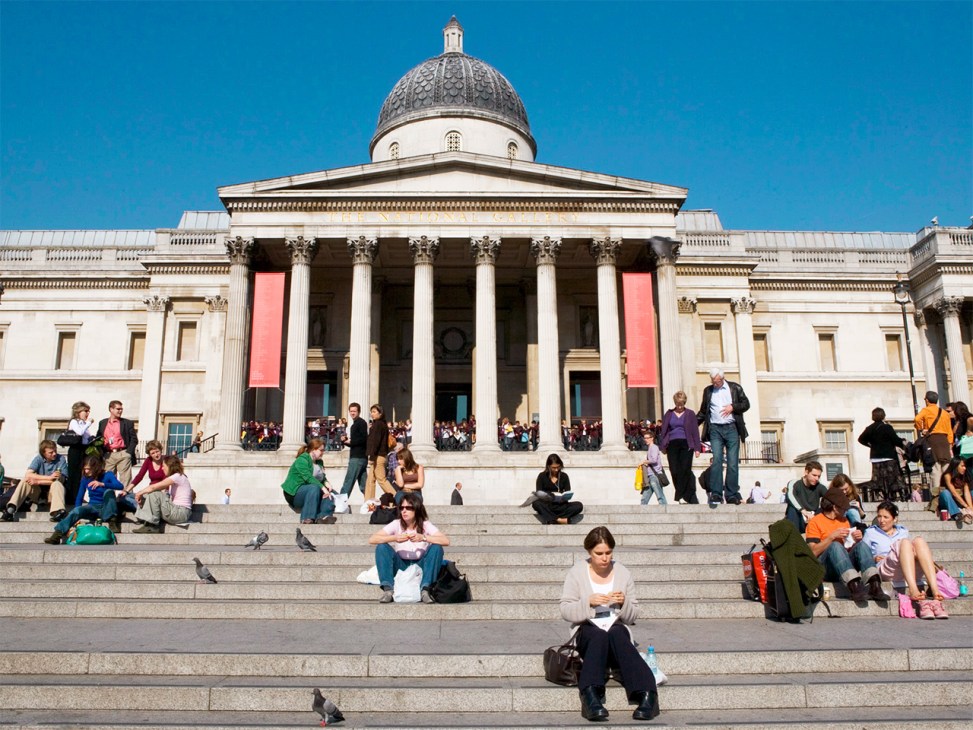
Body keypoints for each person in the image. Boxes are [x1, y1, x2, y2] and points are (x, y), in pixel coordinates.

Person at [559, 526, 659, 722]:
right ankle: (591, 695)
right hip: (587, 628)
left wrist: (623, 603)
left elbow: (633, 616)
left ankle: (647, 693)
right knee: (598, 634)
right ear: (589, 552)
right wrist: (588, 602)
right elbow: (565, 610)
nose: (604, 558)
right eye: (599, 554)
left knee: (616, 633)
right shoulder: (577, 572)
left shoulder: (622, 572)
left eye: (608, 553)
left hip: (615, 627)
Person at [804, 483, 891, 602]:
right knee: (835, 545)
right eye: (843, 507)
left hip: (843, 564)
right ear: (835, 507)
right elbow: (813, 552)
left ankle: (874, 585)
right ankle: (854, 588)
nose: (845, 510)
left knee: (862, 545)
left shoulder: (844, 520)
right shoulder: (815, 522)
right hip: (825, 568)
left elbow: (848, 548)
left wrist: (855, 539)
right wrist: (831, 537)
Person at [863, 501, 948, 618]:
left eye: (885, 517)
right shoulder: (870, 532)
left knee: (919, 541)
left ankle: (934, 589)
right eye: (879, 516)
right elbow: (863, 555)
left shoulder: (903, 531)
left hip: (906, 568)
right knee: (904, 543)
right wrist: (873, 557)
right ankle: (913, 589)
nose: (881, 520)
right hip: (886, 568)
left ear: (894, 519)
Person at [368, 494, 449, 604]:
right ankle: (388, 590)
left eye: (408, 508)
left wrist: (424, 538)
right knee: (381, 547)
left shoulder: (425, 525)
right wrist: (395, 538)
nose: (404, 511)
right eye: (401, 508)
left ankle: (425, 589)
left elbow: (445, 541)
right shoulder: (396, 524)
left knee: (436, 547)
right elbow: (372, 539)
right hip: (401, 565)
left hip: (420, 565)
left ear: (416, 509)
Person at [697, 368, 750, 505]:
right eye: (713, 382)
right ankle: (716, 493)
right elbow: (703, 411)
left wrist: (733, 407)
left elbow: (746, 404)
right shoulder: (708, 391)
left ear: (722, 378)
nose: (715, 384)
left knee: (732, 463)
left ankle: (731, 494)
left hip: (732, 428)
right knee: (717, 461)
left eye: (717, 382)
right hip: (715, 429)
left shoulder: (735, 388)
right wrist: (691, 424)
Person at [44, 455, 125, 543]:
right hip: (93, 507)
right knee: (76, 511)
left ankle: (112, 521)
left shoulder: (108, 475)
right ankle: (57, 534)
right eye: (85, 469)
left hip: (106, 507)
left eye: (89, 469)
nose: (86, 471)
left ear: (96, 468)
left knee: (109, 492)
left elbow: (120, 486)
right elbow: (79, 497)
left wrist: (102, 484)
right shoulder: (85, 479)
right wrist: (77, 512)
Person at [2, 440, 68, 522]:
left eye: (55, 451)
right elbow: (28, 474)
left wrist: (38, 481)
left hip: (53, 493)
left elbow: (60, 480)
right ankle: (11, 509)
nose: (54, 454)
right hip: (38, 493)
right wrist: (49, 477)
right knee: (25, 481)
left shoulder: (61, 459)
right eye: (51, 452)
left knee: (57, 484)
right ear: (43, 453)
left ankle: (59, 512)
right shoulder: (38, 458)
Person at [659, 391, 702, 504]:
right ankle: (683, 494)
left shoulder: (690, 414)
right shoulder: (669, 414)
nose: (679, 406)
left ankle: (680, 496)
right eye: (678, 404)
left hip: (686, 443)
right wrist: (662, 445)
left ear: (684, 403)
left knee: (685, 469)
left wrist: (697, 448)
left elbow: (695, 431)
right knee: (674, 470)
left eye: (682, 404)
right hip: (672, 444)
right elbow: (664, 430)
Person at [280, 438, 336, 524]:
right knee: (314, 488)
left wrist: (326, 483)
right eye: (321, 450)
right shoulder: (302, 460)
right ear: (313, 450)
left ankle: (323, 517)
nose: (323, 452)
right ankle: (307, 518)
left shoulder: (320, 462)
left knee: (330, 493)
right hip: (294, 493)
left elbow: (321, 477)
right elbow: (308, 477)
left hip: (312, 490)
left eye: (324, 450)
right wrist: (322, 487)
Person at [132, 456, 193, 533]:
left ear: (170, 466)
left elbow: (153, 487)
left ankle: (152, 526)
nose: (162, 468)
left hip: (180, 513)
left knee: (154, 494)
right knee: (148, 496)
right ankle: (145, 520)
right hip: (179, 512)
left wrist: (139, 493)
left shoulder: (178, 476)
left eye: (164, 466)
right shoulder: (178, 477)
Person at [857, 407, 906, 502]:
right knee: (893, 477)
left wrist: (870, 445)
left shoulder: (869, 428)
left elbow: (860, 439)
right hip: (888, 456)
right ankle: (894, 495)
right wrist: (903, 442)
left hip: (875, 458)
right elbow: (896, 440)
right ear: (883, 416)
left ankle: (884, 495)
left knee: (878, 478)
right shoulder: (887, 427)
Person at [914, 390, 951, 510]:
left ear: (927, 400)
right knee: (946, 470)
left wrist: (923, 429)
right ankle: (949, 496)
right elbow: (949, 430)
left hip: (933, 440)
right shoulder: (944, 412)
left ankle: (936, 499)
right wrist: (950, 444)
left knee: (936, 471)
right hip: (944, 441)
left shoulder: (926, 410)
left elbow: (917, 419)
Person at [96, 400, 138, 487]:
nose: (120, 411)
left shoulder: (127, 423)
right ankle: (110, 499)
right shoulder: (102, 423)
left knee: (126, 480)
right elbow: (98, 438)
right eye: (118, 409)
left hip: (123, 453)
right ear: (111, 409)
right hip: (108, 455)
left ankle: (126, 499)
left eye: (121, 409)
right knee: (108, 480)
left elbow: (134, 439)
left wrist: (128, 452)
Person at [533, 454, 584, 525]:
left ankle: (551, 519)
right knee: (536, 503)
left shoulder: (564, 476)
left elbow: (567, 492)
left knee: (579, 505)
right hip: (548, 505)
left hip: (561, 506)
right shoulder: (542, 476)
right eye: (553, 468)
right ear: (548, 466)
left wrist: (563, 497)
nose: (556, 470)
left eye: (558, 467)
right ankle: (559, 520)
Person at [65, 401, 97, 506]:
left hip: (83, 450)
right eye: (85, 411)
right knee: (74, 474)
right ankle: (71, 498)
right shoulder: (74, 422)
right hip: (75, 450)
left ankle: (79, 496)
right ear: (78, 411)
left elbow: (86, 437)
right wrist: (89, 423)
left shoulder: (83, 424)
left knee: (82, 475)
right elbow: (79, 432)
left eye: (88, 411)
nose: (87, 413)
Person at [783, 461, 826, 534]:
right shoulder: (794, 483)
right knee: (792, 508)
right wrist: (804, 511)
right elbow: (790, 497)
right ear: (806, 472)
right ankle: (793, 538)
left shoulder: (820, 486)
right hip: (798, 516)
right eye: (814, 475)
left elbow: (831, 498)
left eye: (819, 476)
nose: (817, 478)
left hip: (813, 518)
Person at [125, 439, 166, 512]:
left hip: (161, 492)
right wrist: (126, 490)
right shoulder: (148, 460)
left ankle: (145, 508)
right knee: (125, 497)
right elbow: (139, 476)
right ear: (149, 454)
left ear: (161, 450)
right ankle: (146, 508)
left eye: (157, 451)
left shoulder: (166, 460)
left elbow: (169, 480)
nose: (156, 455)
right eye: (153, 453)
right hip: (150, 491)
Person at [339, 402, 369, 500]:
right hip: (360, 457)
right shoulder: (356, 424)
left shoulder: (361, 423)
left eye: (354, 411)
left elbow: (363, 439)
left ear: (359, 412)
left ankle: (340, 503)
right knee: (364, 485)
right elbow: (357, 441)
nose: (352, 413)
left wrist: (350, 441)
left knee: (349, 481)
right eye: (351, 411)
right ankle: (370, 504)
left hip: (357, 457)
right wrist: (346, 441)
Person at [365, 404, 394, 500]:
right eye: (371, 412)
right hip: (378, 455)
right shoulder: (380, 424)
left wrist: (372, 457)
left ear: (380, 413)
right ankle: (368, 502)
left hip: (378, 456)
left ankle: (398, 498)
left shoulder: (378, 424)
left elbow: (376, 442)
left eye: (374, 412)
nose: (372, 414)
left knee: (381, 480)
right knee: (370, 480)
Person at [937, 458, 973, 525]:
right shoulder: (947, 475)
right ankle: (956, 515)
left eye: (965, 466)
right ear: (955, 466)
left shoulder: (964, 476)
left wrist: (970, 507)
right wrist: (966, 505)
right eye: (962, 466)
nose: (964, 468)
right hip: (946, 501)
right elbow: (954, 493)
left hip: (959, 502)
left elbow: (966, 492)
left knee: (972, 492)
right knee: (945, 493)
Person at [638, 432, 666, 505]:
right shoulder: (650, 448)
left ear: (652, 438)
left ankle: (665, 510)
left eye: (647, 438)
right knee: (644, 499)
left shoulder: (654, 447)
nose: (645, 440)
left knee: (660, 496)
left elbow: (654, 460)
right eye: (645, 438)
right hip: (650, 476)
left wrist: (644, 462)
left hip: (655, 476)